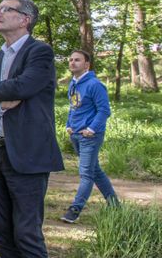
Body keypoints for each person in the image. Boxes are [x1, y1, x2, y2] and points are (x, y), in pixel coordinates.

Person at [0, 0, 64, 258]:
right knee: (1, 227)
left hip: (27, 152)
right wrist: (0, 105)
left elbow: (24, 86)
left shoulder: (40, 52)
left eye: (5, 9)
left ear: (25, 19)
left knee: (26, 231)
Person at [61, 50, 117, 223]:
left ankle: (75, 209)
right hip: (76, 134)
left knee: (86, 174)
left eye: (77, 60)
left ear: (87, 64)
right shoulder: (74, 83)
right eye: (70, 60)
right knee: (95, 170)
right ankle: (115, 205)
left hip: (89, 136)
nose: (72, 62)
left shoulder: (95, 85)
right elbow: (73, 107)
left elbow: (104, 111)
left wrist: (92, 129)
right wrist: (69, 125)